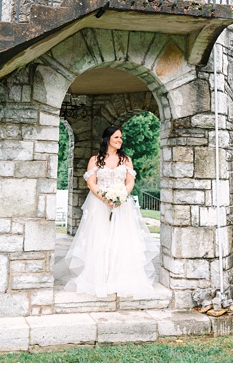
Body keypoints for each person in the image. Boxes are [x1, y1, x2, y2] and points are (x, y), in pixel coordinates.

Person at [54, 126, 158, 298]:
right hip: (100, 206)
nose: (120, 140)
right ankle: (99, 278)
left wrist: (121, 196)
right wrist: (105, 197)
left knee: (121, 239)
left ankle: (121, 278)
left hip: (122, 206)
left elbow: (130, 181)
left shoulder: (125, 160)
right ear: (107, 138)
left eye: (121, 138)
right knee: (100, 239)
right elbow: (91, 183)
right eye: (116, 137)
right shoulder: (95, 160)